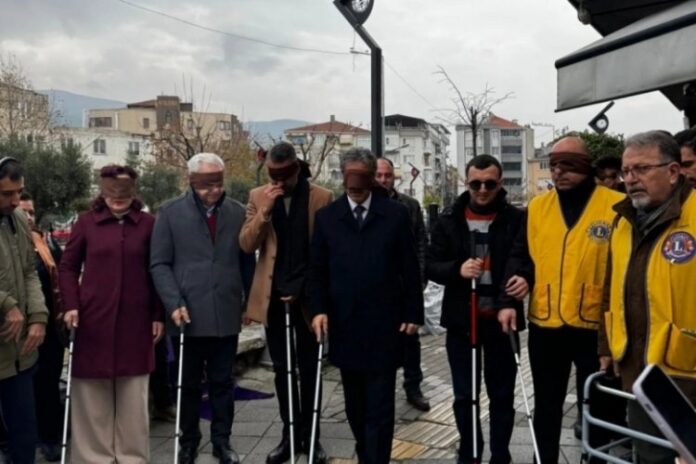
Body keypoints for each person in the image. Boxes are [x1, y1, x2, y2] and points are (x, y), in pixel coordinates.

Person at [499, 136, 624, 464]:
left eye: (568, 166)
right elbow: (521, 256)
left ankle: (596, 459)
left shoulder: (617, 206)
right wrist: (516, 288)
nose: (558, 172)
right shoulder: (537, 208)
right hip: (546, 324)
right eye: (554, 166)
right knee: (547, 406)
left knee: (598, 406)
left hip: (595, 327)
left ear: (586, 167)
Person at [309, 148, 423, 464]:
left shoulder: (395, 215)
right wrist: (318, 309)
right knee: (355, 406)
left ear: (372, 178)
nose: (355, 187)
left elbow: (410, 266)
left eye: (361, 179)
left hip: (385, 324)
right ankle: (366, 452)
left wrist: (413, 312)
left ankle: (376, 459)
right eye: (350, 179)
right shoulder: (327, 218)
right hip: (345, 324)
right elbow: (317, 270)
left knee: (381, 407)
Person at [150, 152, 255, 464]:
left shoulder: (237, 212)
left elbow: (247, 261)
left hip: (225, 312)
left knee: (223, 383)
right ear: (191, 181)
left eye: (218, 183)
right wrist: (173, 302)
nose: (214, 190)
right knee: (187, 384)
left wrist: (248, 302)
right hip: (186, 314)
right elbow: (159, 263)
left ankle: (222, 442)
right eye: (207, 185)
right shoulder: (169, 212)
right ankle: (188, 441)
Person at [599, 131, 695, 463]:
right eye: (626, 171)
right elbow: (611, 289)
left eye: (641, 169)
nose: (630, 179)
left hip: (686, 373)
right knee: (650, 454)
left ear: (673, 171)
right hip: (637, 370)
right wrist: (606, 346)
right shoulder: (622, 222)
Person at [59, 164, 164, 464]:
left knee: (134, 396)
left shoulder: (148, 224)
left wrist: (158, 314)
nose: (118, 201)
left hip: (136, 322)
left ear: (134, 193)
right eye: (112, 195)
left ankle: (132, 457)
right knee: (91, 395)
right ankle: (94, 458)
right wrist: (71, 305)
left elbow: (157, 270)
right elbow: (67, 267)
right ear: (102, 193)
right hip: (92, 321)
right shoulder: (86, 223)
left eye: (124, 196)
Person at [427, 155, 524, 464]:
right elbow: (430, 264)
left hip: (501, 320)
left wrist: (525, 281)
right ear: (466, 183)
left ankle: (500, 455)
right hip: (462, 321)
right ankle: (470, 452)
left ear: (500, 183)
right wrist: (457, 269)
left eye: (490, 184)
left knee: (502, 395)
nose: (482, 190)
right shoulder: (449, 218)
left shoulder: (516, 218)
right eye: (475, 184)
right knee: (464, 396)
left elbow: (525, 259)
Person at [240, 142, 333, 464]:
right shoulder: (257, 196)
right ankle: (289, 434)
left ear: (297, 170)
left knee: (310, 369)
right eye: (274, 178)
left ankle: (312, 436)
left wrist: (304, 287)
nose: (279, 183)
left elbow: (326, 250)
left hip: (309, 297)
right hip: (273, 296)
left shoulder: (321, 197)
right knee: (282, 369)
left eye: (285, 177)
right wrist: (265, 211)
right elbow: (246, 243)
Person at [0, 157, 48, 464]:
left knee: (25, 436)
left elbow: (30, 271)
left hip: (20, 352)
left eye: (19, 192)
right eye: (7, 194)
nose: (16, 200)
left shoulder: (17, 218)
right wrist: (7, 304)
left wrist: (39, 317)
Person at [374, 157, 430, 412]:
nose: (383, 180)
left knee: (410, 338)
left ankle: (413, 386)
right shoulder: (365, 204)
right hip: (376, 288)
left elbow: (421, 243)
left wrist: (419, 279)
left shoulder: (409, 205)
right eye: (379, 175)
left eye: (387, 175)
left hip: (404, 285)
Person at [17, 192, 63, 462]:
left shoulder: (46, 244)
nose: (28, 217)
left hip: (48, 328)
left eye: (32, 212)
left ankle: (50, 437)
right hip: (15, 329)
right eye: (23, 211)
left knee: (48, 384)